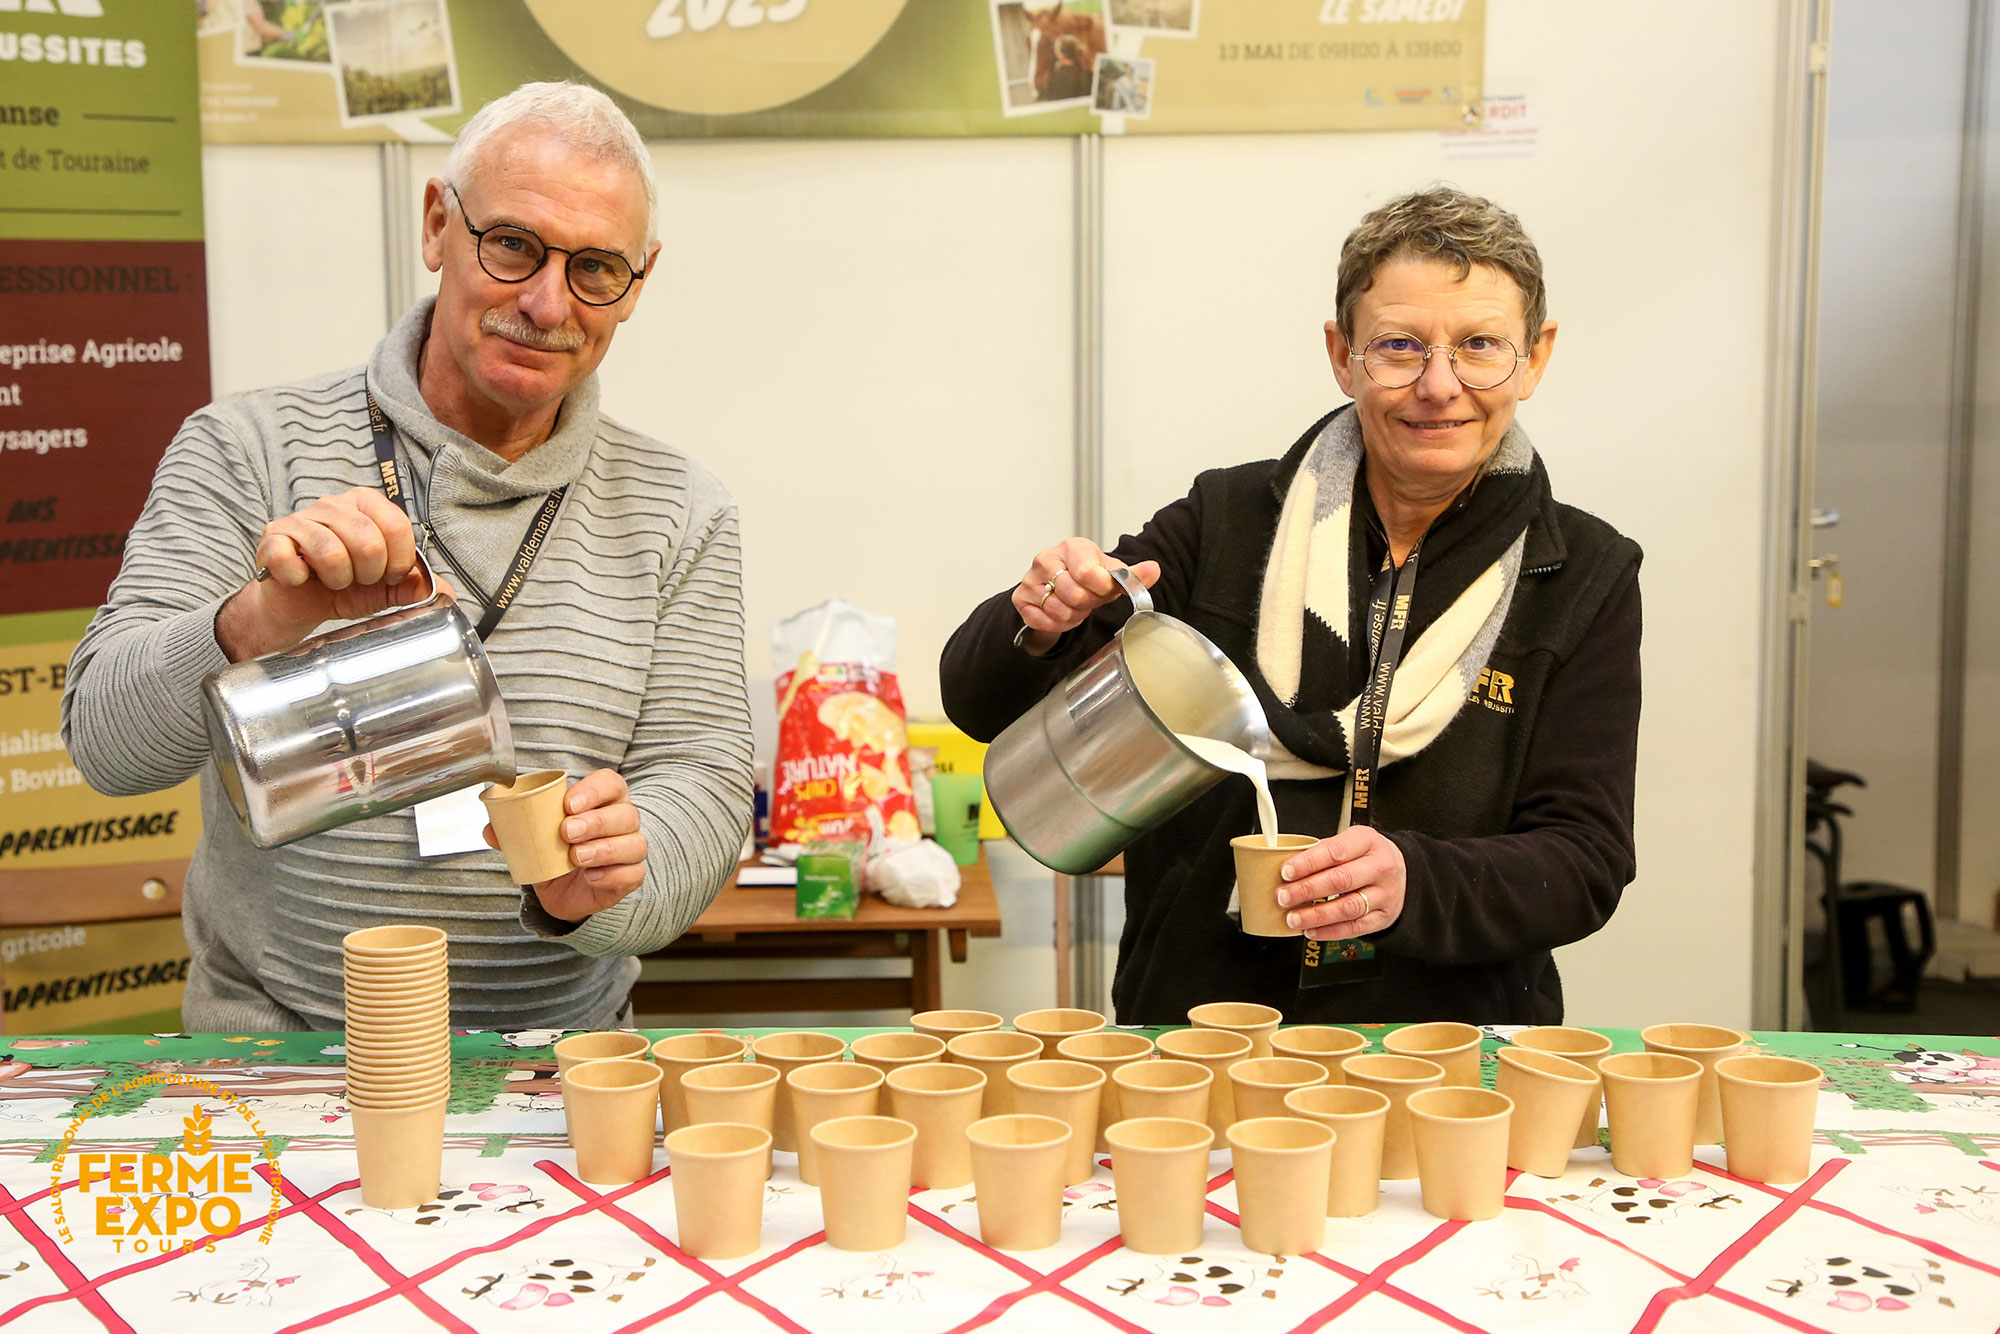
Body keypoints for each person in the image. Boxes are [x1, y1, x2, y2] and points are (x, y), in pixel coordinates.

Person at [61, 82, 755, 1033]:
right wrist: (256, 626)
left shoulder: (682, 510)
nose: (549, 302)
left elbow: (704, 781)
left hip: (558, 1074)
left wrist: (608, 885)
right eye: (513, 245)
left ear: (639, 281)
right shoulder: (247, 448)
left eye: (597, 267)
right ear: (438, 225)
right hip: (280, 1060)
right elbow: (105, 744)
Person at [940, 186, 1641, 1026]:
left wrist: (1416, 881)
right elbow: (978, 703)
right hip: (1201, 1031)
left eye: (1480, 345)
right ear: (1343, 353)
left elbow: (1585, 858)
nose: (1439, 384)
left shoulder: (1585, 572)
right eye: (1399, 347)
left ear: (1535, 356)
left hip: (1446, 1049)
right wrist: (1042, 618)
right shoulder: (1227, 521)